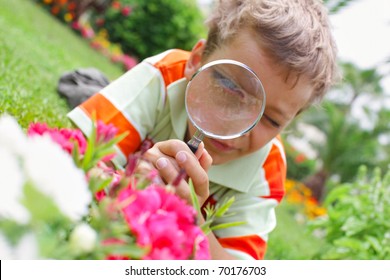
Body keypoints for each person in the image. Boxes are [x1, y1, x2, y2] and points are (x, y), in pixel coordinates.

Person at [68, 0, 339, 260]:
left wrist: (191, 221)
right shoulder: (163, 75)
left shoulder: (268, 167)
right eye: (230, 88)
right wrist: (130, 189)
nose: (237, 127)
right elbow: (71, 160)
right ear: (196, 61)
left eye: (270, 119)